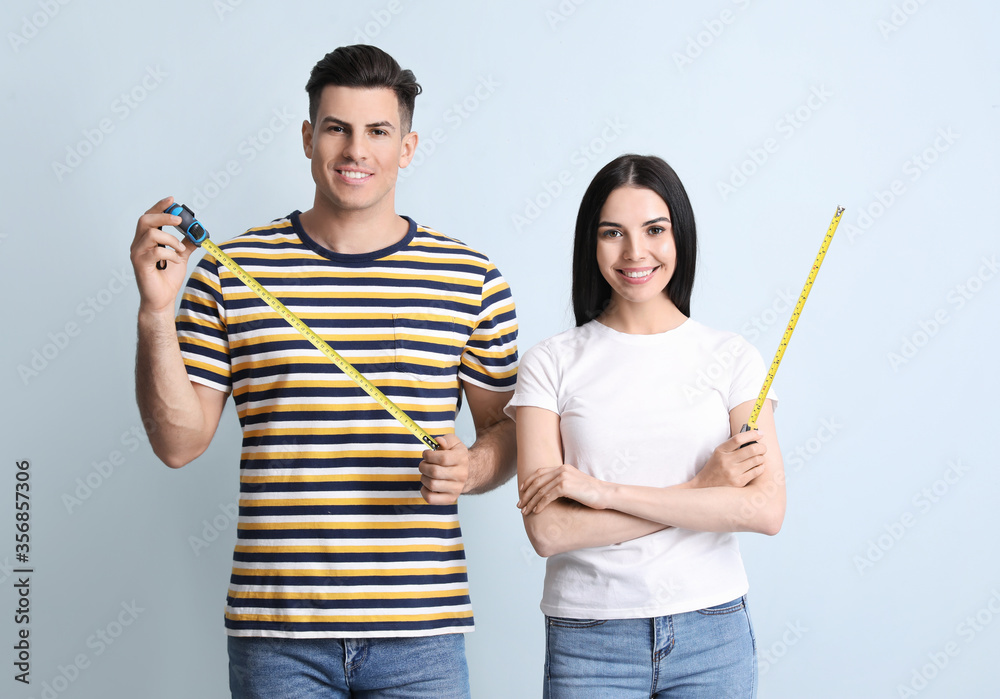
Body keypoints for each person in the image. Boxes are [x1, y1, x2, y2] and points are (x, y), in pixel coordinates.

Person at [129, 45, 518, 699]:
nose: (355, 150)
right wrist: (155, 312)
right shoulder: (228, 272)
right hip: (278, 635)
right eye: (337, 128)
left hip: (420, 632)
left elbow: (504, 433)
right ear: (309, 138)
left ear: (408, 146)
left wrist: (473, 468)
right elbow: (177, 442)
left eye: (377, 131)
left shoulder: (471, 279)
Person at [506, 154, 784, 698]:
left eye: (654, 230)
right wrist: (703, 490)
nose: (636, 253)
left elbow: (764, 510)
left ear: (679, 236)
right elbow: (549, 532)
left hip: (713, 633)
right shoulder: (550, 362)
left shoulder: (732, 359)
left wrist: (601, 493)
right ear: (592, 243)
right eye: (613, 233)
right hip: (589, 640)